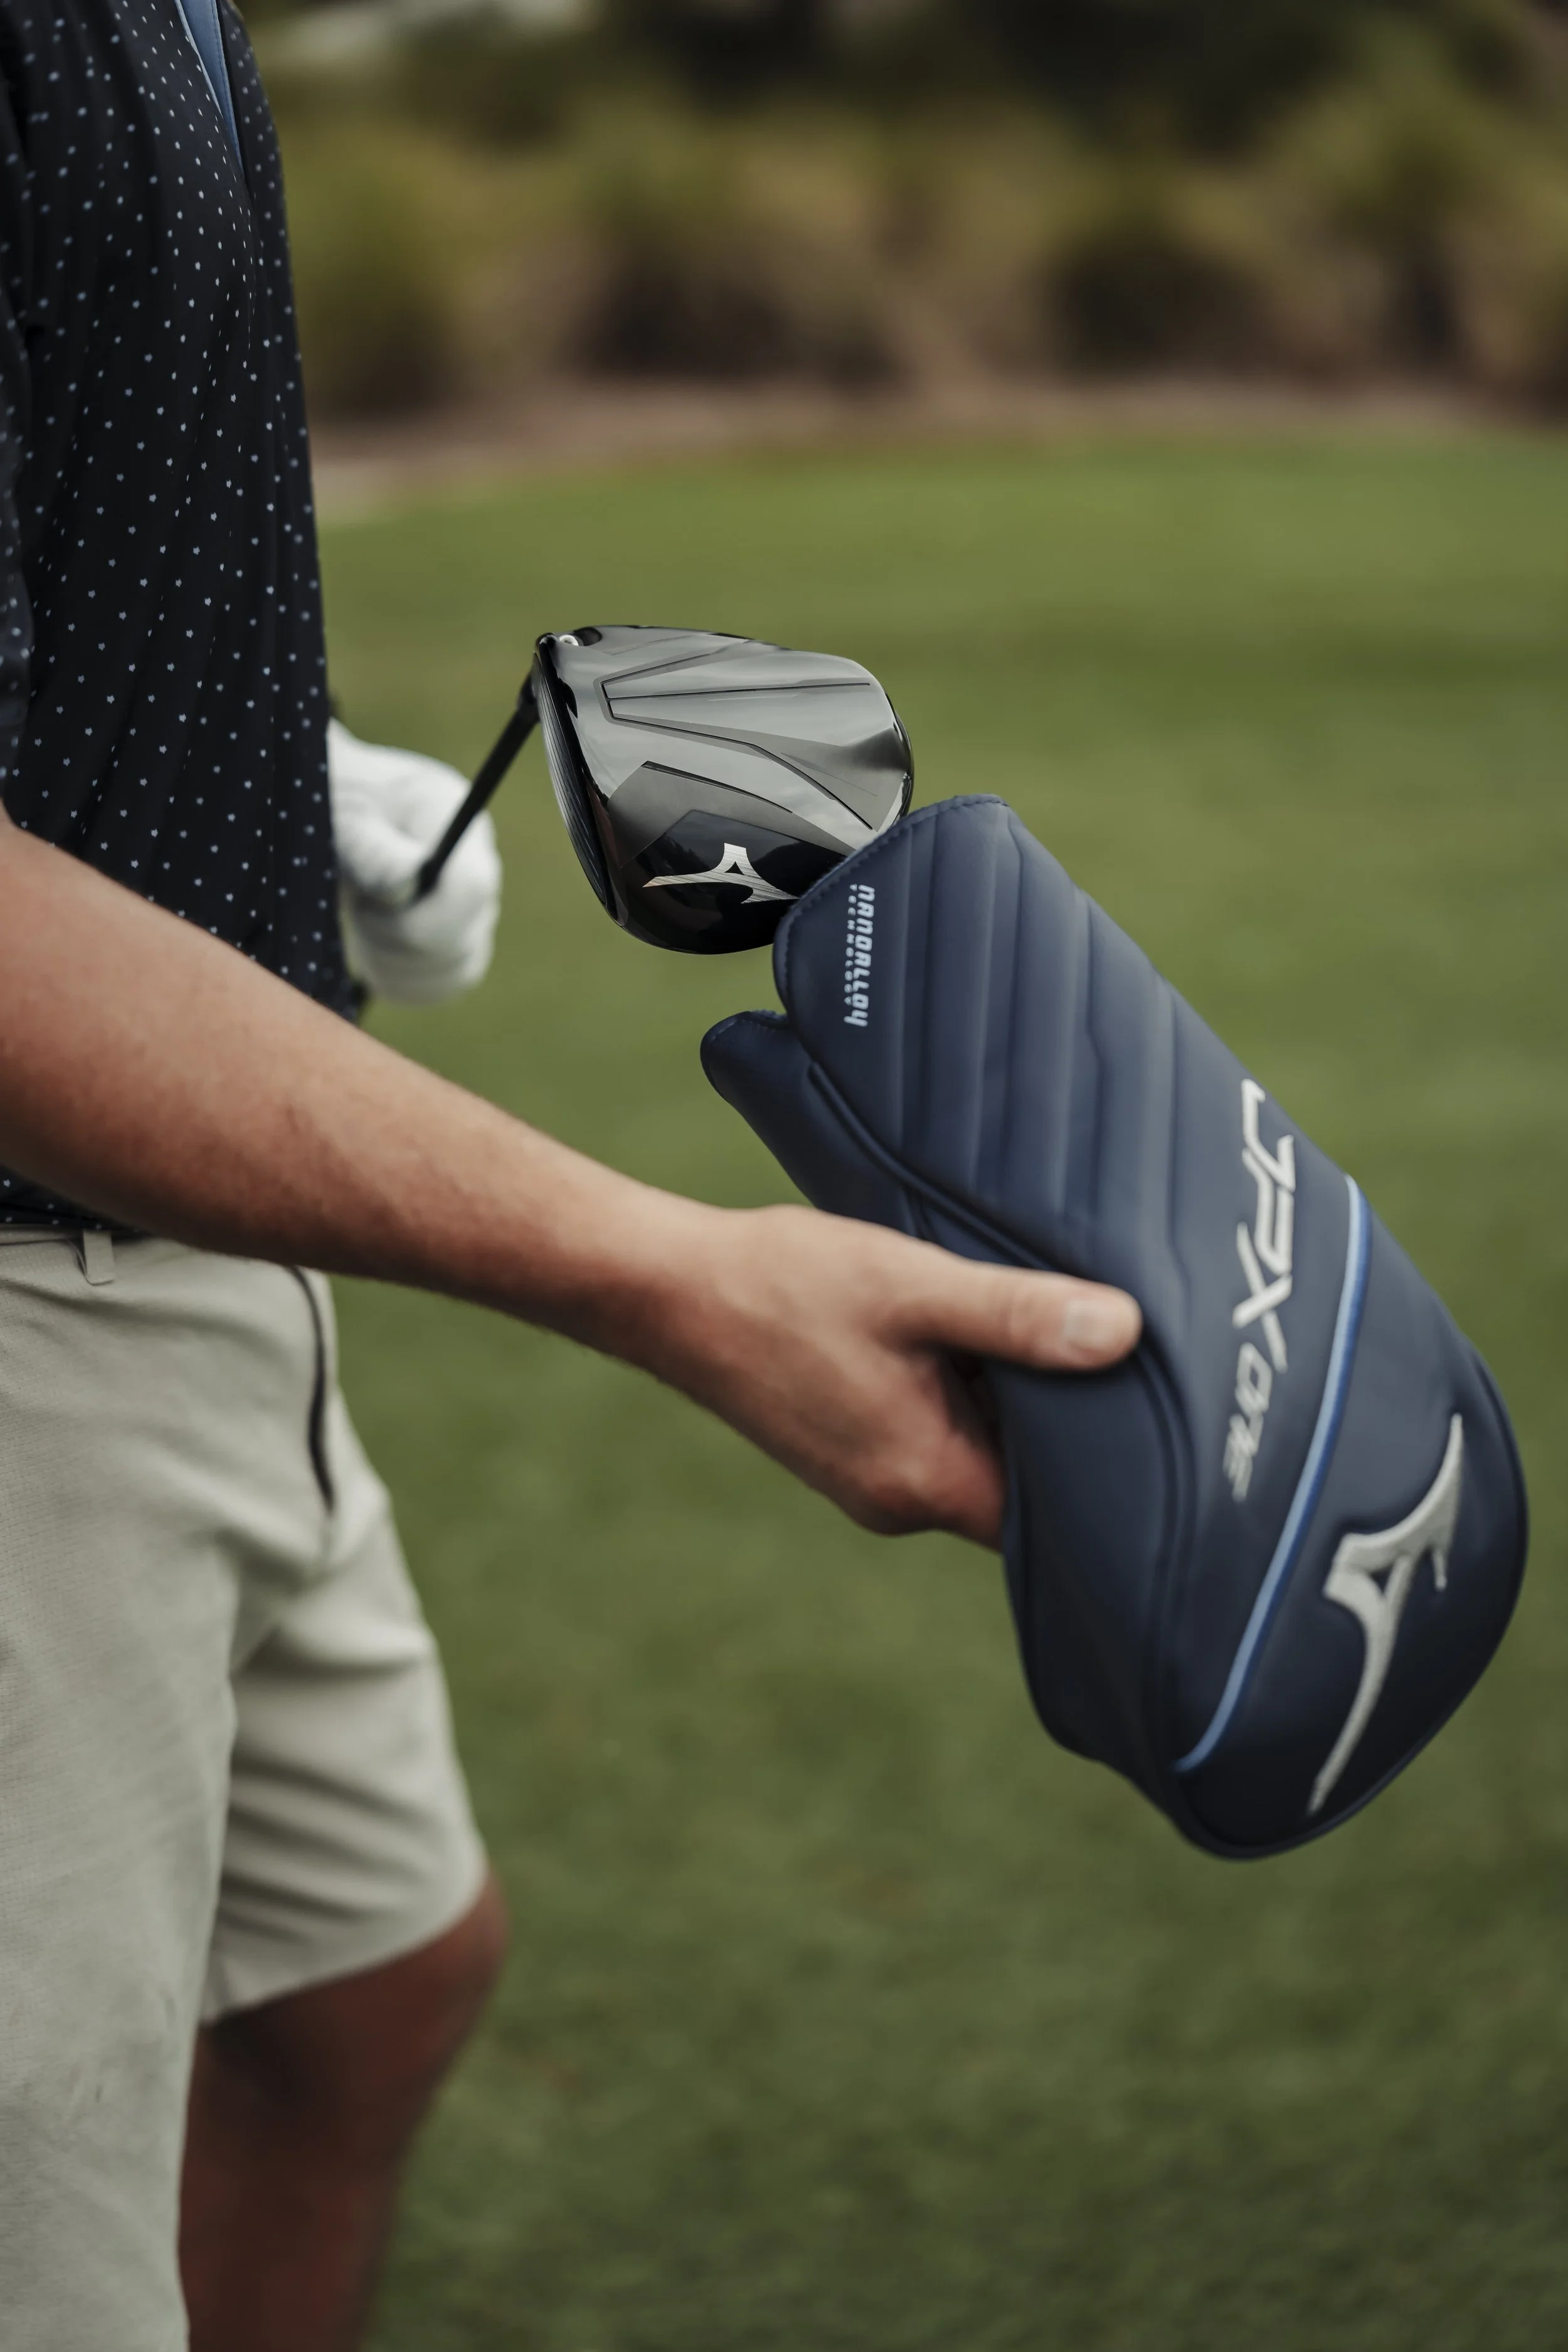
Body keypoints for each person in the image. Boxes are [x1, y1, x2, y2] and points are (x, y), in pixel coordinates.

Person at [0, 3, 1142, 2347]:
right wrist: (666, 1272)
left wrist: (245, 775)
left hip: (210, 1232)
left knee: (372, 1987)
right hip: (35, 1310)